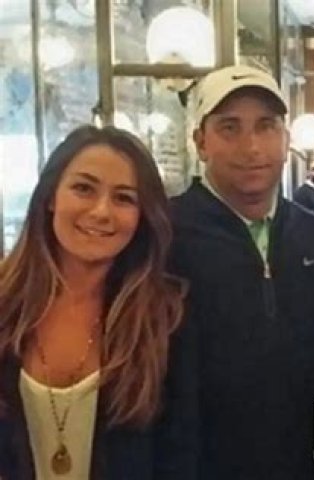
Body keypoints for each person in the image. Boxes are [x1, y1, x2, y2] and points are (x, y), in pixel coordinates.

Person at [0, 125, 196, 479]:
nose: (102, 211)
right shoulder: (5, 302)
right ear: (50, 197)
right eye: (83, 188)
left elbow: (180, 457)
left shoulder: (167, 320)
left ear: (142, 216)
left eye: (124, 198)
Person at [169, 65, 314, 478]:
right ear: (200, 142)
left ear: (286, 140)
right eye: (230, 128)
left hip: (291, 464)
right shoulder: (165, 233)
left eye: (266, 126)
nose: (251, 146)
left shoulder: (310, 232)